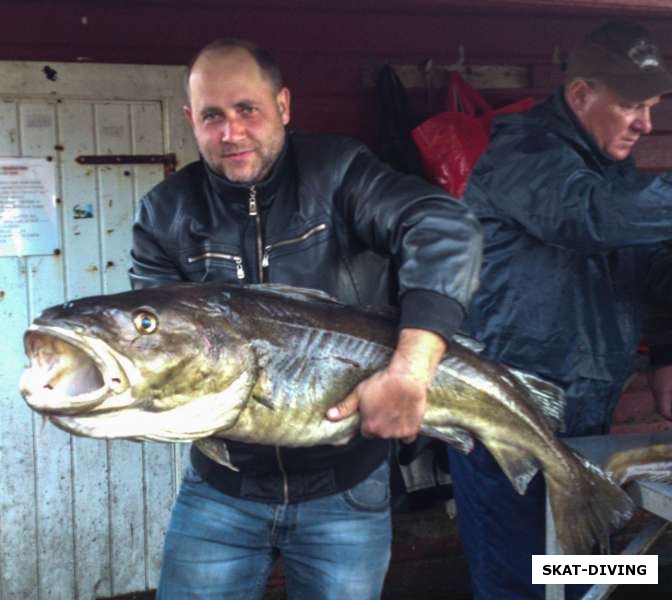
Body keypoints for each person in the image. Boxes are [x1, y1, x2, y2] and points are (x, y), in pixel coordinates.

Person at [129, 38, 482, 600]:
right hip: (221, 492)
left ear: (284, 107)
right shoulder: (165, 213)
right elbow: (152, 352)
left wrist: (412, 372)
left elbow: (445, 228)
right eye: (212, 116)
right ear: (191, 120)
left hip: (346, 488)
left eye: (248, 110)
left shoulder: (338, 173)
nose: (231, 133)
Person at [447, 20, 672, 599]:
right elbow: (588, 218)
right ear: (580, 95)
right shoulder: (522, 154)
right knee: (519, 580)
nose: (647, 124)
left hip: (588, 416)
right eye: (631, 106)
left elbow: (651, 268)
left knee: (581, 575)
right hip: (507, 418)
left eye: (652, 107)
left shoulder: (612, 173)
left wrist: (668, 352)